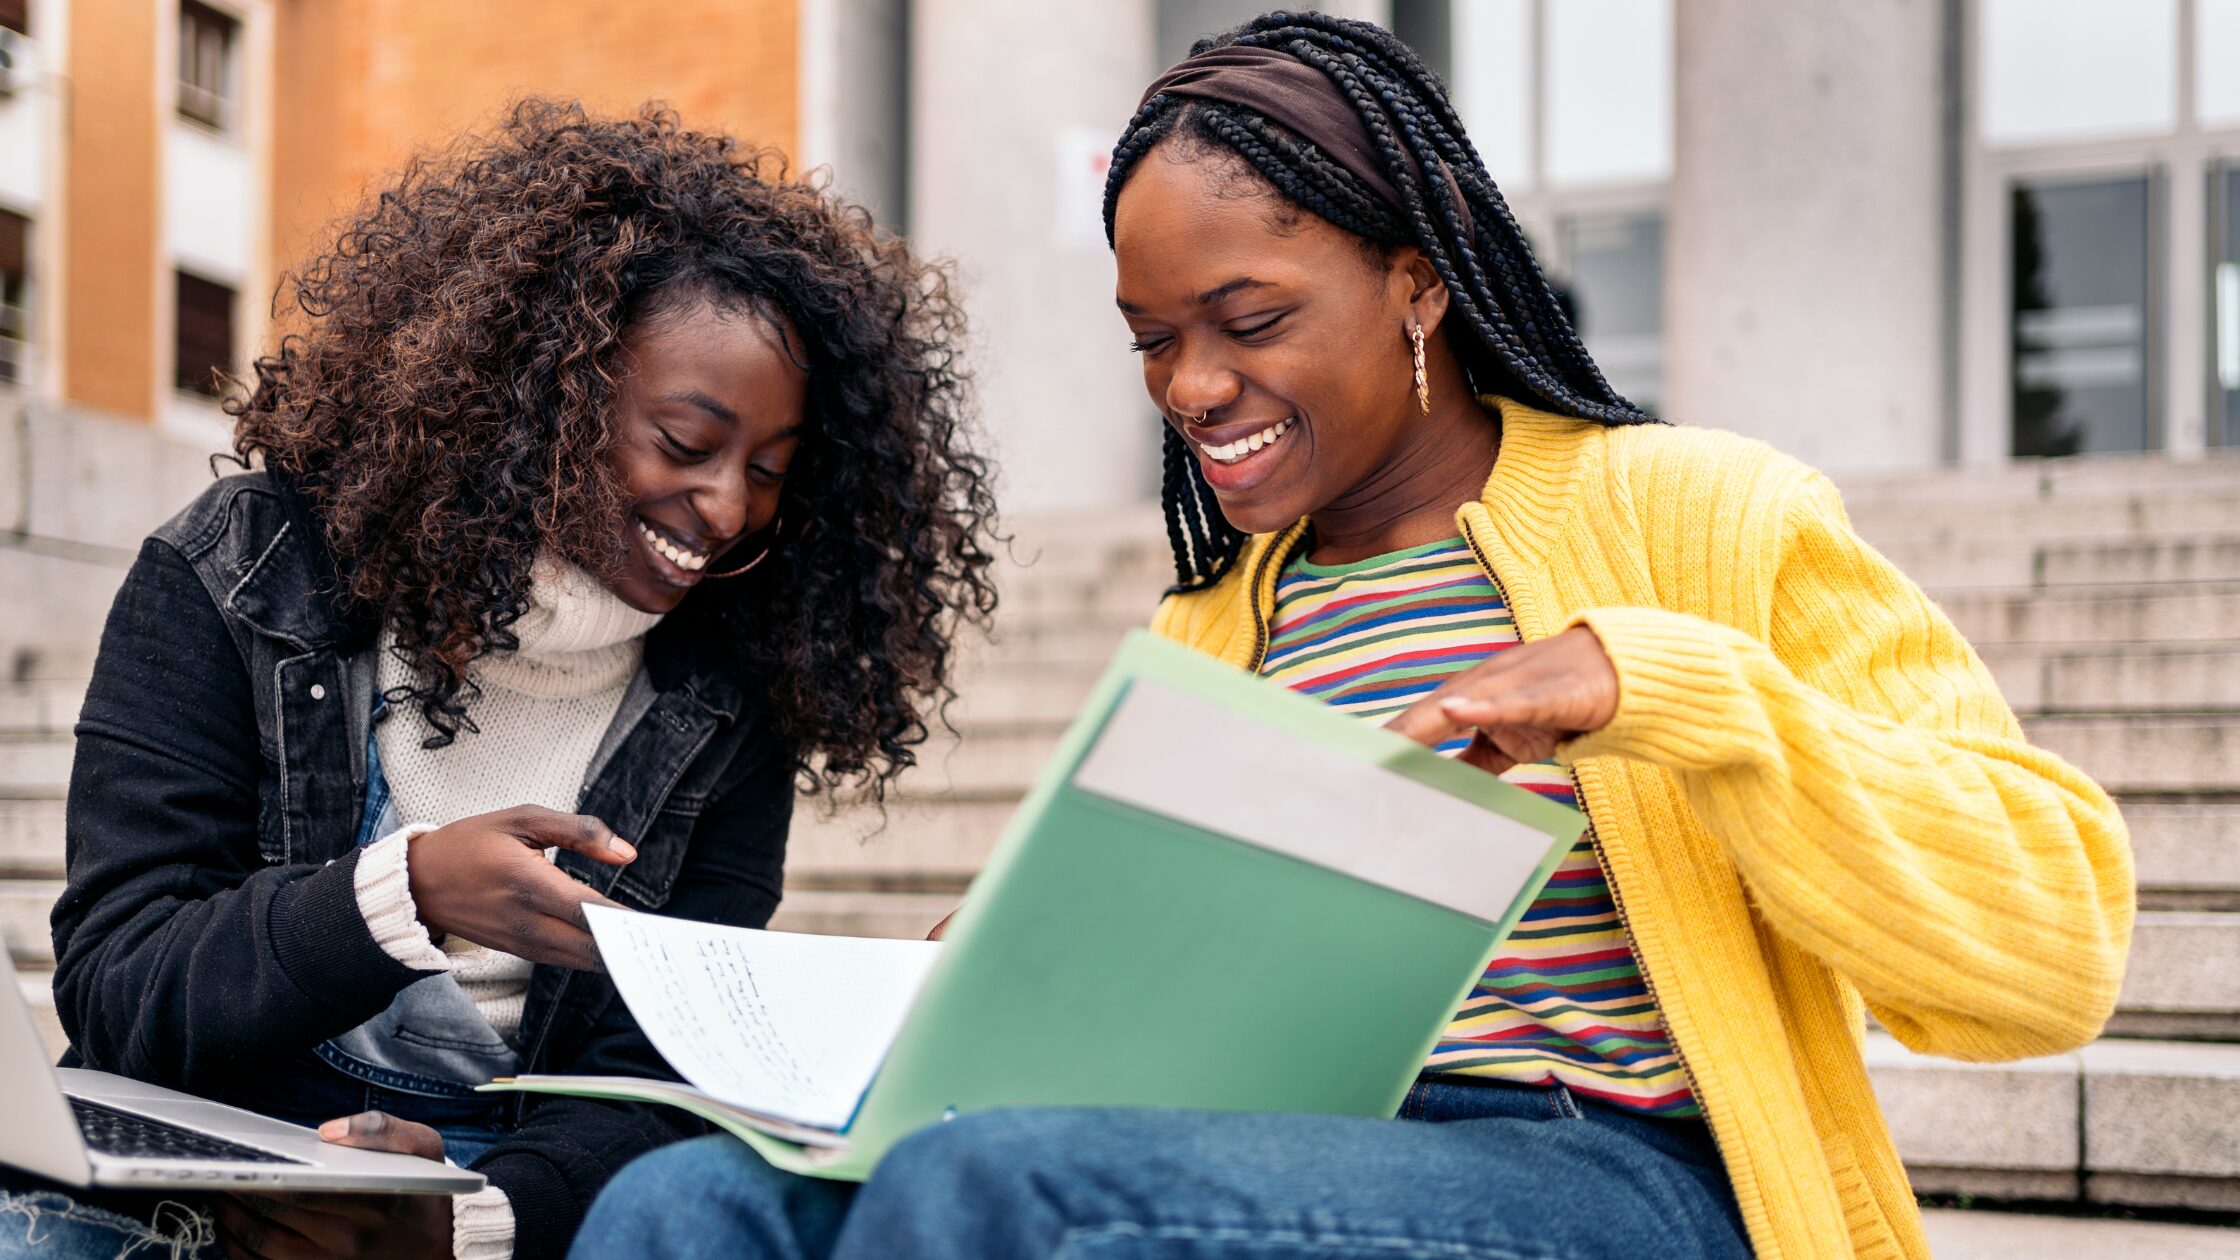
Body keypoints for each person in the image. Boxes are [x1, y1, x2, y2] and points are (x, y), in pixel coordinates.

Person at [569, 14, 2134, 1259]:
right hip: (1287, 1151)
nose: (1189, 390)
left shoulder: (1701, 516)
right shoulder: (1216, 625)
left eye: (1247, 323)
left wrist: (1673, 690)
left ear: (1416, 283)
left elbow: (2054, 948)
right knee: (675, 1214)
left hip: (1613, 1175)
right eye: (1152, 342)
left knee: (1014, 1197)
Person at [0, 101, 996, 1260]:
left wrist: (476, 1223)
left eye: (767, 472)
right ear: (543, 398)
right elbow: (121, 989)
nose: (725, 508)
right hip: (203, 1175)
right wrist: (400, 895)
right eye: (684, 443)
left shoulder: (732, 691)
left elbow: (649, 1088)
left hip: (499, 1199)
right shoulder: (240, 572)